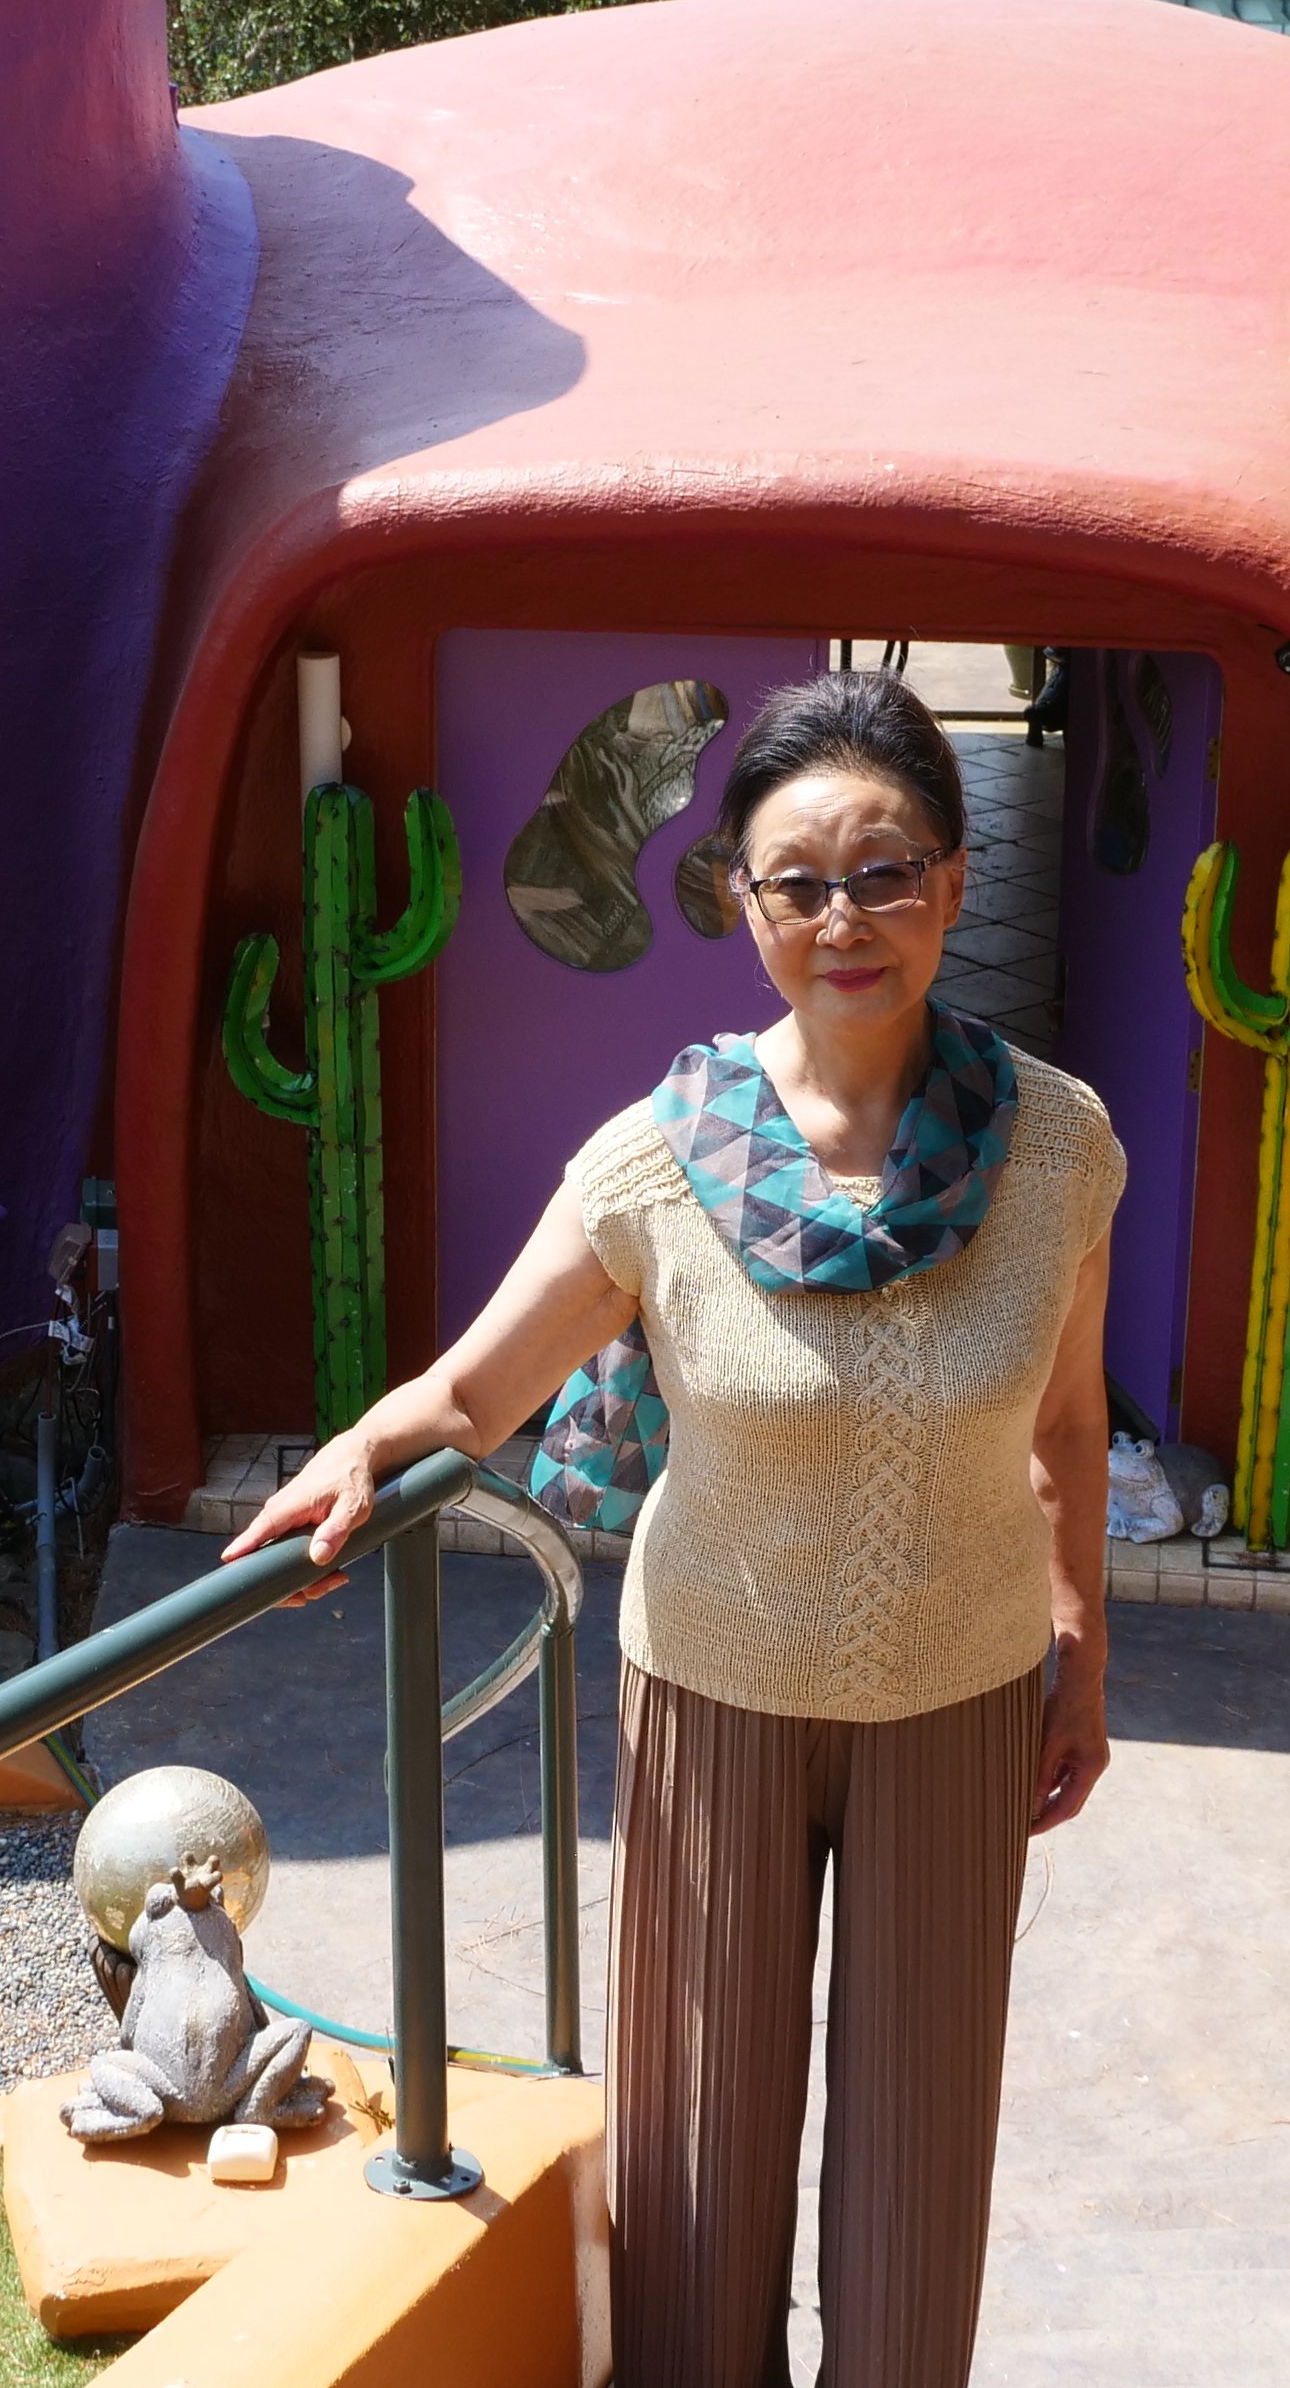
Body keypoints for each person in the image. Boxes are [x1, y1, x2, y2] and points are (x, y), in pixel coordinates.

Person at [225, 667, 1120, 2387]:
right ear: (739, 902)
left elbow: (1067, 1423)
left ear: (951, 882)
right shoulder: (658, 1160)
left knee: (916, 2196)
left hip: (961, 1698)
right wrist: (355, 1459)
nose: (844, 918)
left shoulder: (1061, 1149)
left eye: (886, 870)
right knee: (697, 2183)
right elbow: (474, 1395)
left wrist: (1081, 1649)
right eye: (800, 882)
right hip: (715, 1702)